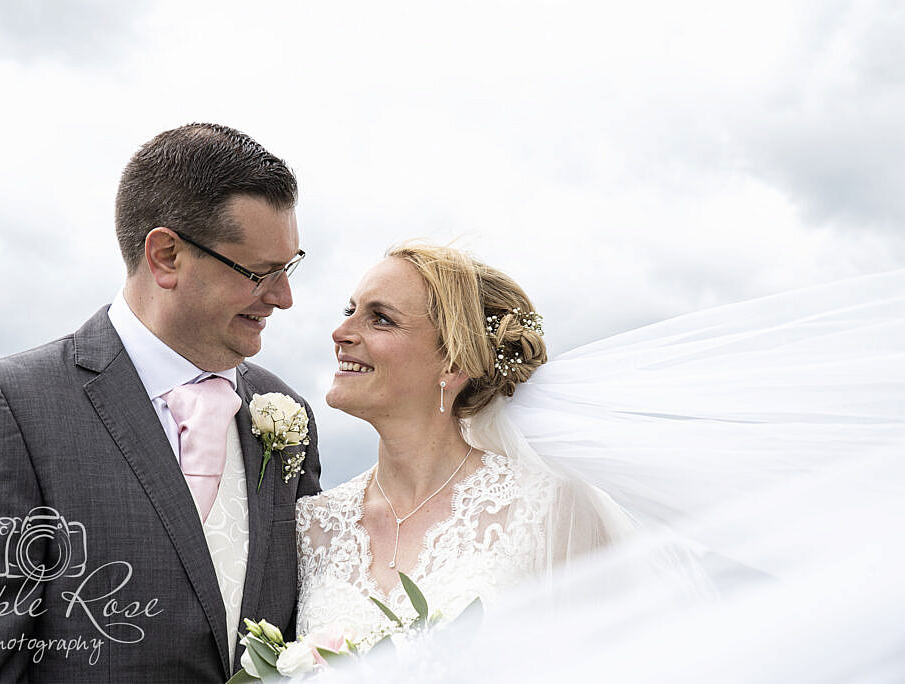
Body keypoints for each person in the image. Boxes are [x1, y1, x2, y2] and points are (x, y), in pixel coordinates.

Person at [295, 241, 905, 655]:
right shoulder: (309, 526)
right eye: (349, 309)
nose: (340, 331)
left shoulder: (549, 504)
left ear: (452, 362)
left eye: (379, 318)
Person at [0, 123, 321, 682]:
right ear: (166, 256)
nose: (283, 297)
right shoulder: (8, 405)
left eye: (289, 265)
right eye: (260, 272)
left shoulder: (286, 411)